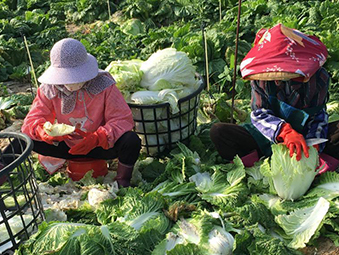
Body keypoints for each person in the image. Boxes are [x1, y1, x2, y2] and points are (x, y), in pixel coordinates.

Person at [210, 24, 339, 170]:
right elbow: (259, 114)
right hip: (266, 137)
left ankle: (317, 164)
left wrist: (314, 144)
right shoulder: (261, 79)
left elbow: (318, 116)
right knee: (219, 132)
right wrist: (284, 131)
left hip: (304, 139)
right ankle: (258, 166)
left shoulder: (319, 78)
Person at [21, 38, 141, 187]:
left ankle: (122, 180)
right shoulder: (50, 88)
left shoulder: (103, 85)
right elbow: (32, 119)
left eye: (75, 78)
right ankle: (3, 173)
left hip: (99, 146)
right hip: (67, 145)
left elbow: (122, 119)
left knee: (131, 141)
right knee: (23, 140)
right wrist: (41, 131)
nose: (70, 85)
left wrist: (99, 137)